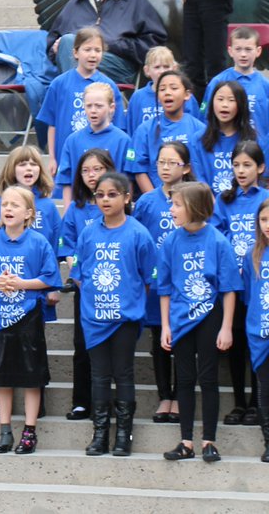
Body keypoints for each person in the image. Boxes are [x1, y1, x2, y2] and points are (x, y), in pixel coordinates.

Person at [0, 186, 60, 454]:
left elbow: (49, 278)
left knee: (31, 379)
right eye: (4, 204)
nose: (8, 208)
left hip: (29, 319)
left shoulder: (39, 242)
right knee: (3, 379)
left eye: (15, 205)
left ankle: (29, 431)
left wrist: (21, 284)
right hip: (0, 321)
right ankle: (5, 430)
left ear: (29, 213)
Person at [71, 171, 156, 456]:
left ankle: (123, 435)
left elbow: (147, 277)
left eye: (112, 194)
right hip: (94, 318)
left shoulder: (138, 233)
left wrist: (128, 303)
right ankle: (100, 434)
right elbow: (80, 273)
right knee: (98, 376)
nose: (105, 200)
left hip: (125, 319)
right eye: (100, 195)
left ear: (127, 197)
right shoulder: (88, 232)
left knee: (123, 374)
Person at [159, 182, 241, 462]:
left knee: (208, 379)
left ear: (194, 207)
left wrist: (226, 327)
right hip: (180, 319)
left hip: (209, 318)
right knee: (183, 379)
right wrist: (166, 326)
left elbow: (229, 287)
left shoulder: (217, 240)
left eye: (177, 204)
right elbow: (165, 288)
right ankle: (186, 442)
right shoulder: (171, 241)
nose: (171, 210)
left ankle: (209, 441)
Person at [132, 140, 192, 424]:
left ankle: (181, 396)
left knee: (182, 341)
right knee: (158, 340)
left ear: (186, 168)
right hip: (156, 286)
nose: (166, 168)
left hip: (185, 285)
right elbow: (137, 240)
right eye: (161, 162)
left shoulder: (193, 197)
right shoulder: (146, 202)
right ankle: (164, 396)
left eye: (172, 163)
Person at [212, 140, 267, 425]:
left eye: (247, 165)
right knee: (236, 345)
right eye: (236, 165)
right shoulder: (225, 200)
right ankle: (239, 403)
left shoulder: (265, 198)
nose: (241, 171)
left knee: (258, 344)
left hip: (259, 285)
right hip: (233, 285)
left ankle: (259, 404)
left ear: (260, 167)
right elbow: (218, 240)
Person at [60, 148, 114, 420]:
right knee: (83, 346)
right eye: (86, 170)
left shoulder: (119, 206)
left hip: (114, 289)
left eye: (97, 169)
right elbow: (66, 244)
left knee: (113, 348)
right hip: (85, 287)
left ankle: (110, 400)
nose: (91, 175)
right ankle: (82, 401)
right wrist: (73, 265)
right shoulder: (76, 209)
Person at [38, 26, 127, 178]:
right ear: (75, 53)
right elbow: (51, 124)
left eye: (97, 50)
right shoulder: (59, 84)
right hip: (68, 158)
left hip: (101, 163)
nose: (93, 55)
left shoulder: (109, 86)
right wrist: (52, 158)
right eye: (87, 50)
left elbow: (118, 126)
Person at [54, 82, 133, 205]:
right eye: (88, 106)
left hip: (113, 211)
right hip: (82, 212)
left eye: (98, 106)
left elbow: (128, 180)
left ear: (112, 108)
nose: (93, 111)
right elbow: (66, 180)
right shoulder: (72, 141)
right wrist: (68, 213)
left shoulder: (124, 140)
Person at [130, 69, 204, 193]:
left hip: (192, 199)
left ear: (187, 94)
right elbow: (139, 169)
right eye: (162, 89)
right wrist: (157, 199)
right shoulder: (145, 130)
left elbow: (203, 168)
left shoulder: (199, 129)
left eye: (174, 88)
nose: (167, 93)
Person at [192, 80, 261, 195]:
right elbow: (198, 178)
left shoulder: (252, 138)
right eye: (220, 99)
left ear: (240, 104)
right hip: (208, 206)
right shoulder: (198, 139)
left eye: (231, 100)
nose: (225, 104)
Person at [242, 196, 269, 461]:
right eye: (263, 220)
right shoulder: (254, 255)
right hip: (260, 332)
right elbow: (250, 297)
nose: (267, 225)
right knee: (265, 388)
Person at [202, 27, 269, 132]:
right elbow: (204, 117)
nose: (243, 54)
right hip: (226, 147)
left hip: (258, 147)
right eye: (238, 49)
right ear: (230, 51)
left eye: (248, 49)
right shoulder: (217, 82)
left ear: (258, 51)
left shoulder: (265, 85)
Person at [121, 46, 200, 134]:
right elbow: (132, 129)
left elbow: (195, 127)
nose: (162, 71)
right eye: (157, 67)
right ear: (147, 70)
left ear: (175, 68)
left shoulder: (184, 95)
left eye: (166, 67)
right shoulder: (138, 97)